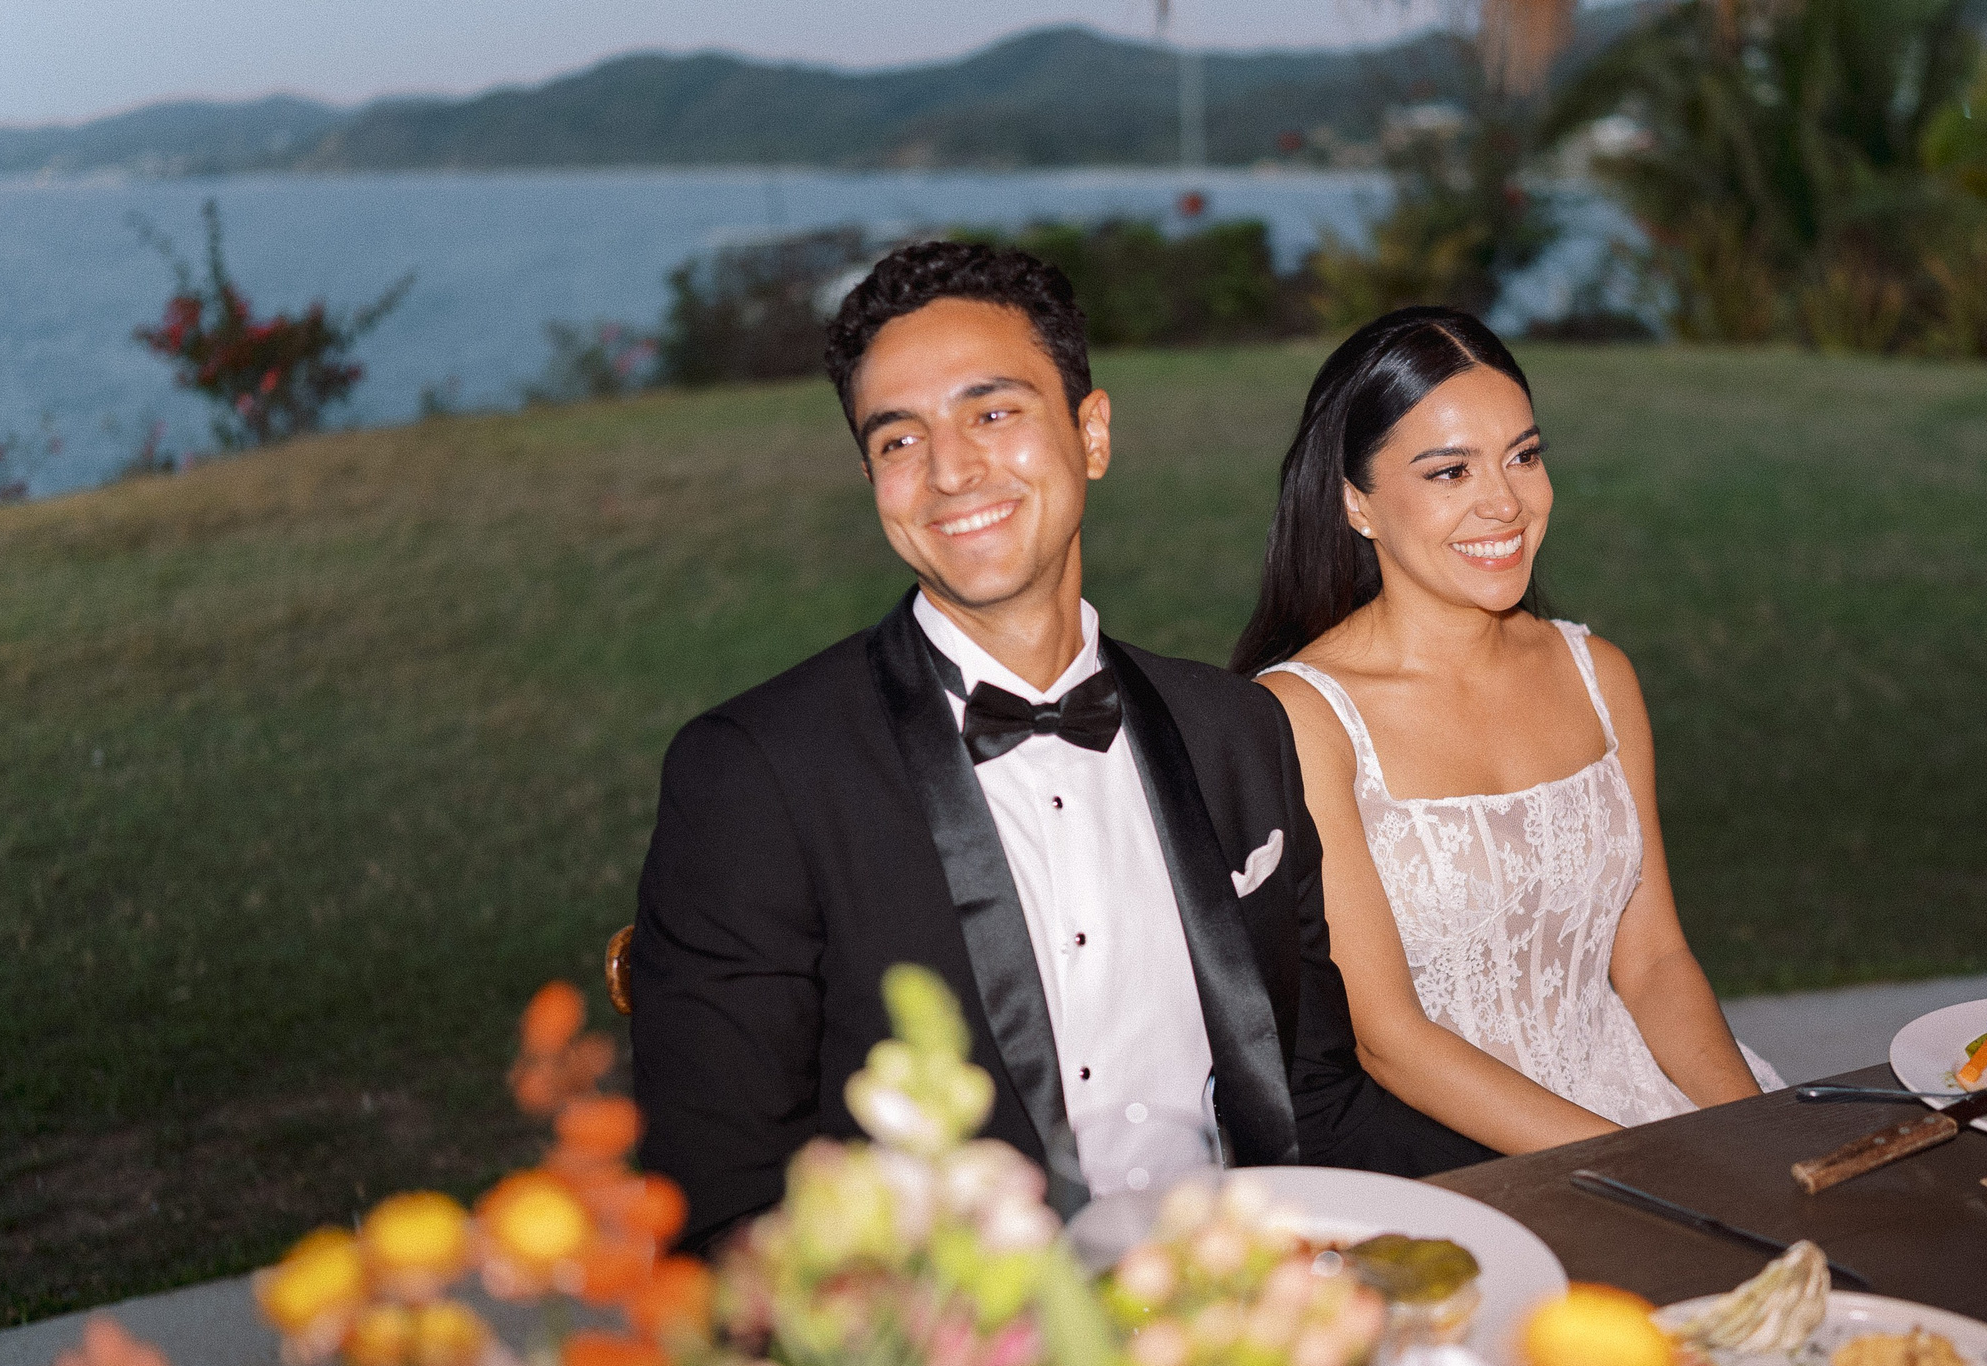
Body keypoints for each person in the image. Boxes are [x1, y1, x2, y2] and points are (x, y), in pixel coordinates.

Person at [629, 243, 1489, 1253]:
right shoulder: (756, 775)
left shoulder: (1235, 734)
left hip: (1251, 1304)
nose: (950, 471)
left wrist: (1548, 1197)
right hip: (965, 1355)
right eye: (899, 441)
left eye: (992, 413)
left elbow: (1314, 1095)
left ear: (1091, 433)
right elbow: (725, 1207)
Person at [1235, 306, 1781, 1156]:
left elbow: (1654, 962)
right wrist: (1644, 1167)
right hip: (1459, 1153)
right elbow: (1391, 1039)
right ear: (1357, 503)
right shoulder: (1306, 718)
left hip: (1644, 1102)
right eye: (1450, 472)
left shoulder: (1599, 675)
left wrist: (1756, 1135)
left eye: (1524, 456)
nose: (1505, 503)